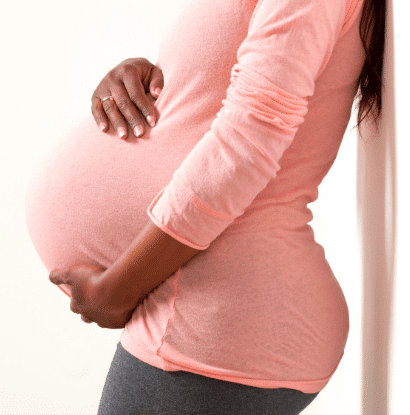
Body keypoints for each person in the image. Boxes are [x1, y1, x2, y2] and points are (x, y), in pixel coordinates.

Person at [25, 0, 386, 413]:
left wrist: (117, 289)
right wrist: (154, 77)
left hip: (221, 316)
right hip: (200, 309)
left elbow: (250, 139)